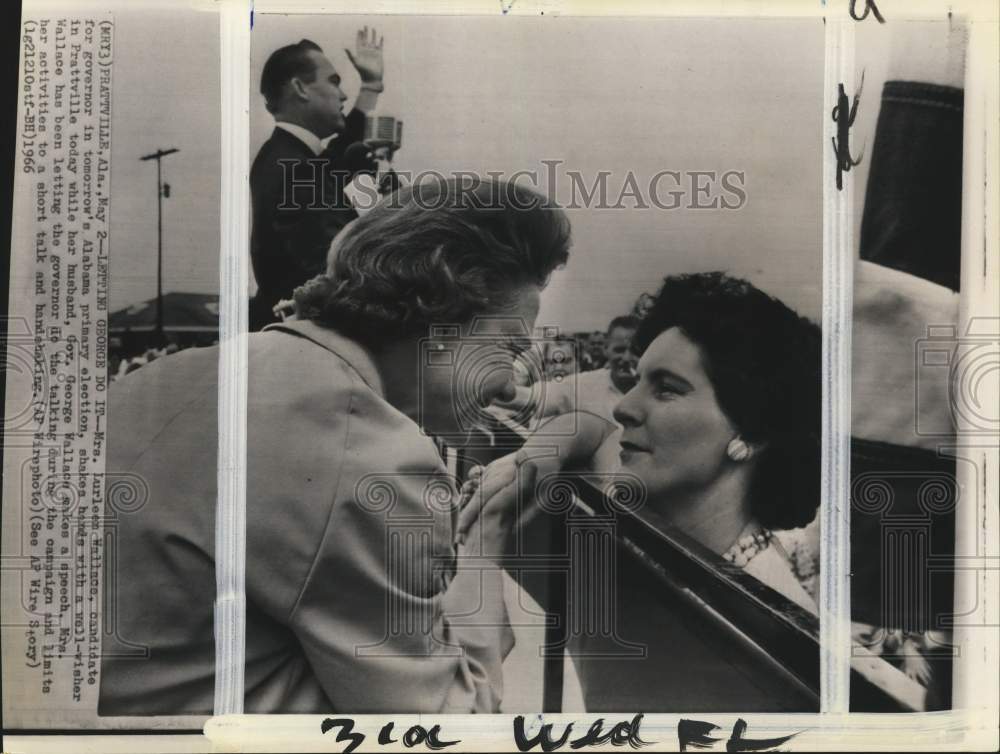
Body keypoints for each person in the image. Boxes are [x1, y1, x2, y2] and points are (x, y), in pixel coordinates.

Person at [99, 178, 571, 714]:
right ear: (443, 321)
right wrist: (485, 542)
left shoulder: (178, 371)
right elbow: (447, 728)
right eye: (508, 348)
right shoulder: (374, 456)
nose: (509, 385)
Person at [462, 272, 821, 611]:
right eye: (637, 381)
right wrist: (529, 461)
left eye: (666, 389)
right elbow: (591, 429)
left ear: (753, 431)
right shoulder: (648, 514)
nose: (622, 407)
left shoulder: (772, 614)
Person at [249, 30, 385, 331]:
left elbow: (339, 152)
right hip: (307, 338)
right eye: (333, 81)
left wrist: (371, 87)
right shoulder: (299, 167)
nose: (344, 95)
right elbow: (331, 268)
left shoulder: (286, 156)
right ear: (300, 88)